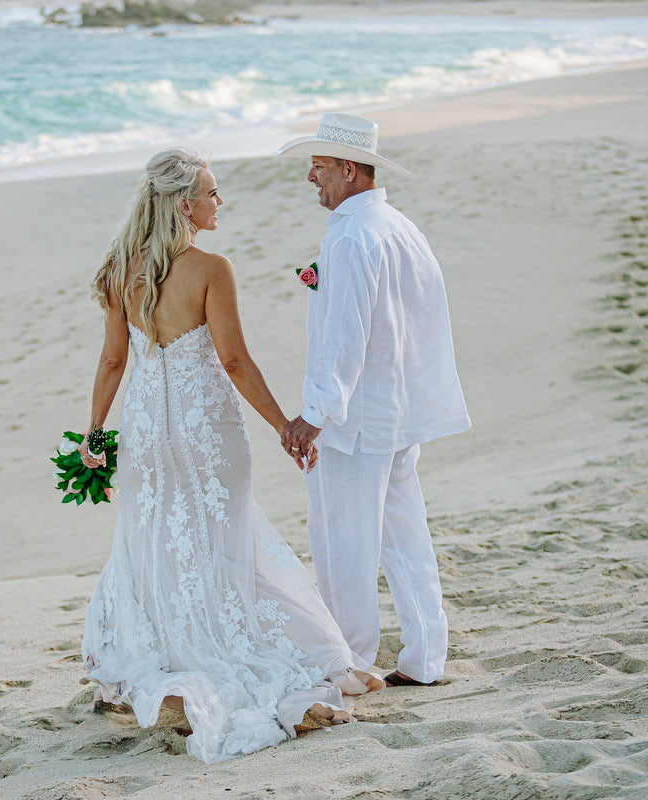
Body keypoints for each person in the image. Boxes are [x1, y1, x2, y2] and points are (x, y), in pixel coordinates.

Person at [78, 147, 383, 764]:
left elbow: (113, 360)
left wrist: (94, 434)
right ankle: (230, 660)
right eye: (213, 193)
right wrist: (286, 427)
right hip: (206, 429)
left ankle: (167, 655)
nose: (221, 202)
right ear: (185, 204)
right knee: (226, 539)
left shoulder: (119, 268)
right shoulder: (211, 269)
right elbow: (235, 361)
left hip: (144, 428)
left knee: (158, 540)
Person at [276, 113, 471, 688]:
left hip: (358, 420)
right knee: (406, 539)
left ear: (349, 168)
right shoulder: (398, 225)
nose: (311, 176)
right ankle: (425, 657)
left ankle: (352, 661)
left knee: (344, 543)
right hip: (398, 412)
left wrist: (314, 415)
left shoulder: (355, 235)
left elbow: (346, 335)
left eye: (319, 165)